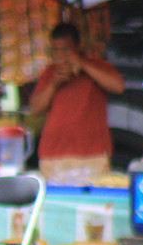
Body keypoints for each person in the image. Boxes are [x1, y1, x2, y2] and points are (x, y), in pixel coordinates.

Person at [29, 22, 124, 184]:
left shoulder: (98, 66)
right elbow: (35, 109)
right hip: (53, 155)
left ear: (78, 47)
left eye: (65, 49)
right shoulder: (51, 72)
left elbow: (118, 86)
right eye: (56, 50)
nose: (60, 55)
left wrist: (83, 65)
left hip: (91, 155)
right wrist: (54, 84)